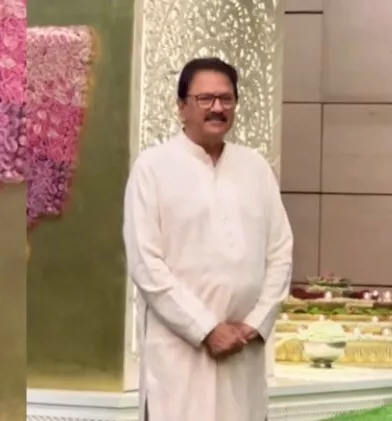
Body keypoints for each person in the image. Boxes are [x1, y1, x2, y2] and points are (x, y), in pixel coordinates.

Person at [122, 57, 293, 421]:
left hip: (243, 350)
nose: (217, 108)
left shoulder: (256, 167)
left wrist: (255, 323)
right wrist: (205, 329)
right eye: (205, 99)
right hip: (180, 354)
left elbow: (280, 253)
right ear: (181, 106)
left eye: (226, 98)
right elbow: (145, 263)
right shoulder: (153, 167)